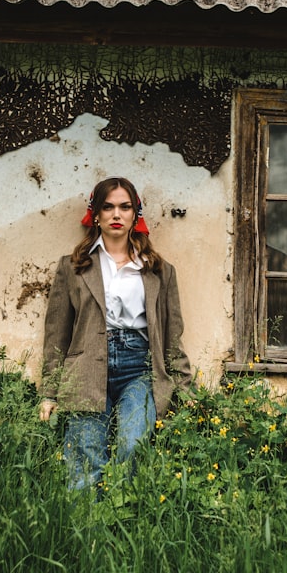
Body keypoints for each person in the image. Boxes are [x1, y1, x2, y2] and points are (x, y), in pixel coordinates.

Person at [40, 177, 192, 491]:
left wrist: (184, 387)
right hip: (85, 367)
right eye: (107, 207)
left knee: (133, 444)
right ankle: (87, 534)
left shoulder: (159, 270)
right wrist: (50, 392)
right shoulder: (72, 267)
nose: (116, 214)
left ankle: (126, 528)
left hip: (138, 367)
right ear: (95, 214)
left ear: (136, 215)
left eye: (124, 207)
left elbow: (172, 333)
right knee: (85, 459)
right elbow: (57, 335)